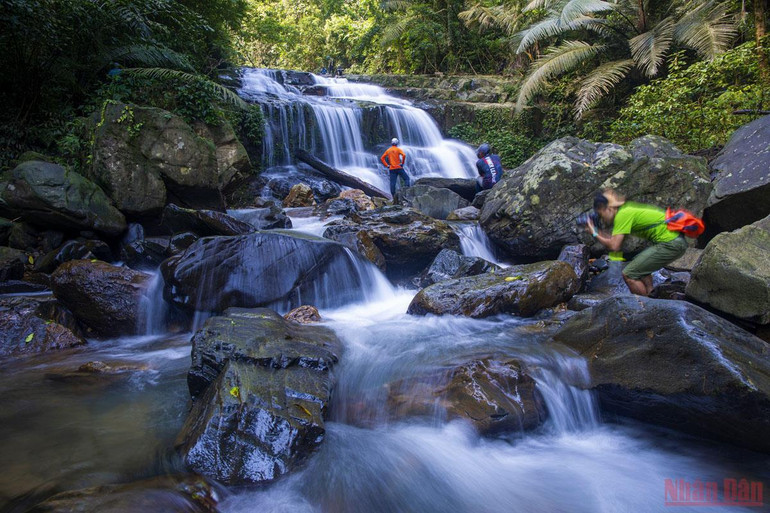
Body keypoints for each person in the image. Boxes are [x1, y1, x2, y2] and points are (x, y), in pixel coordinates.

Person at [585, 189, 688, 296]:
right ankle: (651, 294)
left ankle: (644, 306)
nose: (602, 219)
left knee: (629, 274)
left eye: (601, 214)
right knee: (640, 265)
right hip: (676, 241)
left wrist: (595, 233)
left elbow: (614, 245)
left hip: (670, 243)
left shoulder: (623, 215)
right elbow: (614, 241)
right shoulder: (627, 210)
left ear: (608, 209)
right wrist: (598, 232)